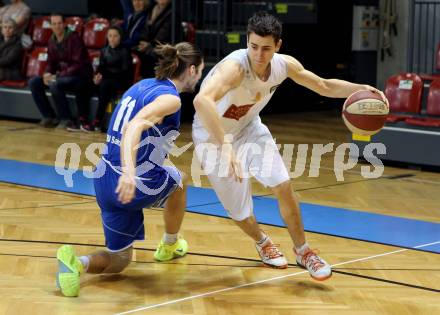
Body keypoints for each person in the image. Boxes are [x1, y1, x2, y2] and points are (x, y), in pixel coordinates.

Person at [192, 11, 388, 281]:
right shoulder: (235, 68)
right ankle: (262, 242)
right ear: (247, 42)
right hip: (212, 136)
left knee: (283, 184)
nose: (259, 55)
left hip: (249, 128)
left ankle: (303, 251)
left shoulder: (284, 65)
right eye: (253, 47)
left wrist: (360, 88)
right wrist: (225, 148)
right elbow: (202, 101)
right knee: (239, 211)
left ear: (278, 46)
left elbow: (322, 85)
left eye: (266, 48)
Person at [56, 42, 204, 297]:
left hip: (103, 177)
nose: (200, 77)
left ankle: (76, 264)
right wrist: (128, 172)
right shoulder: (171, 99)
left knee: (119, 261)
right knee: (180, 181)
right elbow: (134, 127)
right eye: (200, 71)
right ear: (191, 70)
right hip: (131, 179)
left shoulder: (142, 85)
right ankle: (169, 244)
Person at [28, 13, 93, 130]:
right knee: (34, 82)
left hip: (80, 75)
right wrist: (47, 73)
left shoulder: (74, 38)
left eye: (59, 23)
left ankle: (66, 119)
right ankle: (49, 116)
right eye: (54, 24)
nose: (57, 26)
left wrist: (57, 76)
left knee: (55, 83)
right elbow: (51, 63)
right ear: (51, 26)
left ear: (64, 24)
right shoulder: (51, 40)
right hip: (63, 75)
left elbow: (78, 64)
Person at [93, 26, 133, 132]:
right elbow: (101, 68)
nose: (112, 38)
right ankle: (86, 119)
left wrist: (104, 75)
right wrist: (97, 76)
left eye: (115, 36)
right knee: (92, 83)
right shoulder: (104, 50)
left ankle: (98, 119)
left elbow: (125, 72)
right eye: (110, 36)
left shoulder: (125, 51)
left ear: (120, 37)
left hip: (121, 81)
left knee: (106, 85)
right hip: (107, 80)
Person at [137, 0, 183, 77]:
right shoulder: (151, 8)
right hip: (152, 44)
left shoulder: (173, 12)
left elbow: (164, 35)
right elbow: (145, 28)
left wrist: (149, 44)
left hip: (166, 47)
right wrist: (143, 41)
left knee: (148, 56)